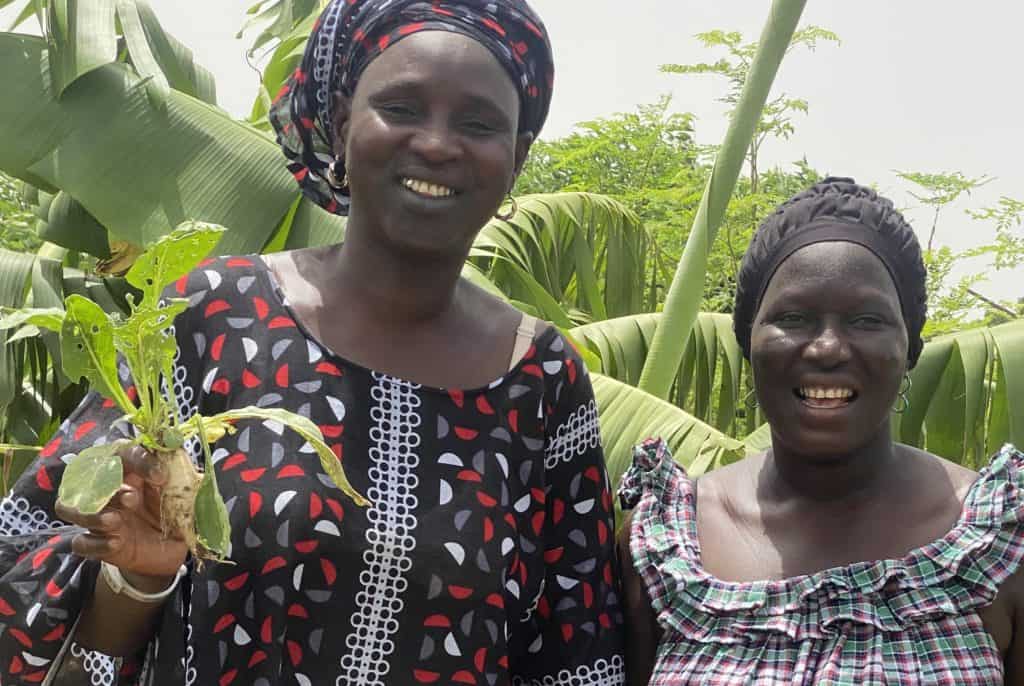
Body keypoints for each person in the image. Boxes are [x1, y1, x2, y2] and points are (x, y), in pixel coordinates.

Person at [0, 1, 626, 683]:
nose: (440, 144)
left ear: (517, 157)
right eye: (403, 108)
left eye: (479, 123)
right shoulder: (211, 316)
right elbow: (29, 553)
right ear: (340, 125)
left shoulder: (541, 379)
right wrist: (137, 577)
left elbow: (577, 650)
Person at [618, 177, 1024, 685]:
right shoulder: (665, 543)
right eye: (793, 317)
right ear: (750, 343)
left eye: (866, 319)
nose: (828, 348)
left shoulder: (1001, 541)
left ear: (909, 349)